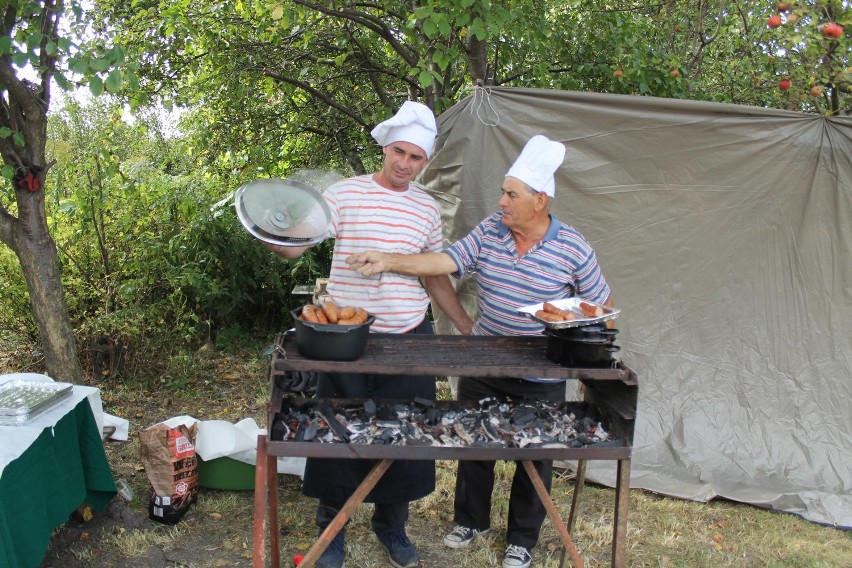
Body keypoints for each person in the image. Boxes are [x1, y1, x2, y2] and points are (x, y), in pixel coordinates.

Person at [347, 134, 614, 568]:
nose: (502, 201)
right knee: (474, 444)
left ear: (539, 200)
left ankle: (522, 540)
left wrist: (588, 348)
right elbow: (446, 261)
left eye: (511, 194)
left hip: (541, 370)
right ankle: (471, 521)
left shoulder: (573, 247)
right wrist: (391, 260)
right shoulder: (492, 229)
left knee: (535, 455)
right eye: (503, 192)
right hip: (485, 357)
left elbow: (600, 308)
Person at [264, 101, 473, 568]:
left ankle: (391, 527)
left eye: (416, 158)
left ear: (425, 161)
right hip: (345, 340)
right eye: (399, 152)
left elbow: (434, 273)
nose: (405, 164)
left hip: (408, 337)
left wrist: (461, 321)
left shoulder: (425, 208)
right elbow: (299, 243)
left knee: (405, 434)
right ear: (385, 147)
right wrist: (275, 237)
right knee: (337, 432)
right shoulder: (345, 195)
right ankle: (332, 532)